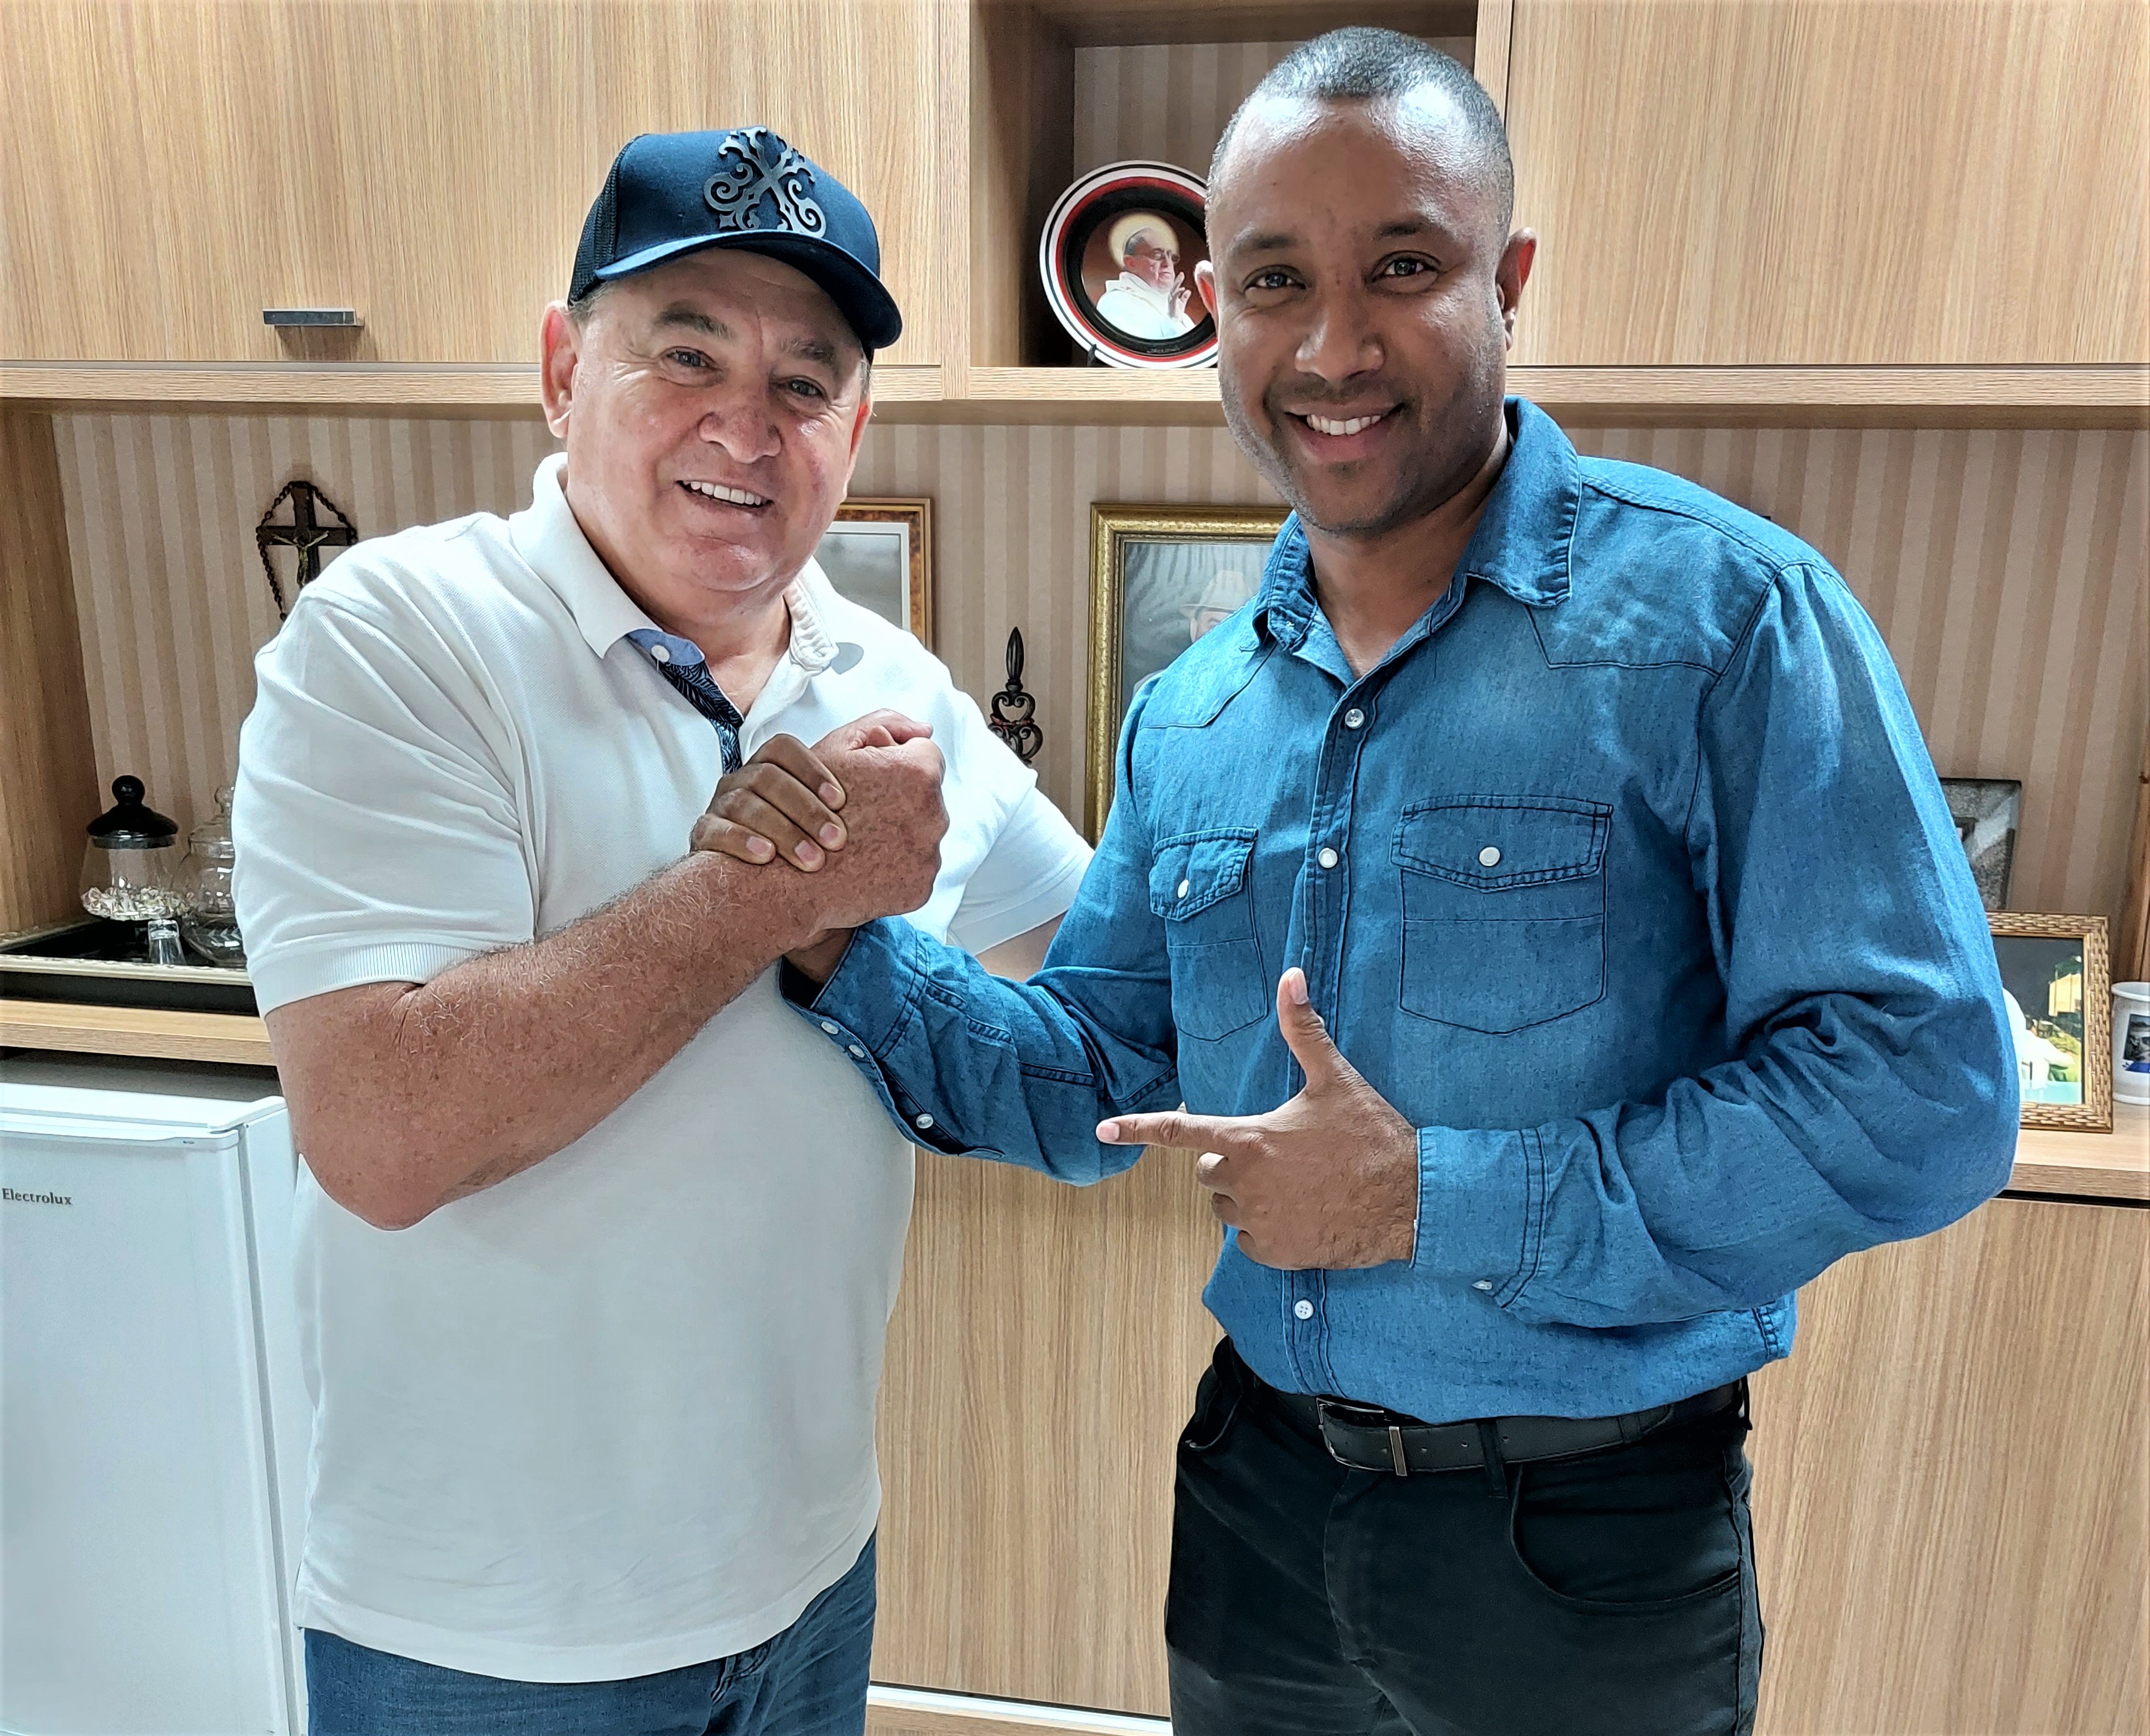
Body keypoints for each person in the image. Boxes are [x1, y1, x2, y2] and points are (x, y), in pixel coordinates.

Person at [704, 30, 2019, 1736]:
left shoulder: (1725, 622)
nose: (1332, 347)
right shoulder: (1194, 709)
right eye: (1275, 281)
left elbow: (1924, 1093)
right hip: (1258, 1507)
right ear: (1208, 308)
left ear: (1506, 279)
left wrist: (1428, 1195)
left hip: (1584, 1543)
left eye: (1402, 266)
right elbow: (1099, 1076)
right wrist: (836, 947)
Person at [231, 126, 1091, 1734]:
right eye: (684, 355)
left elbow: (1097, 973)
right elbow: (386, 1132)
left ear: (855, 425)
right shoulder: (402, 636)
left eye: (803, 381)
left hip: (808, 1579)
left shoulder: (888, 684)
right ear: (564, 371)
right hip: (489, 1637)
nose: (744, 426)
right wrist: (773, 889)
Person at [1094, 212, 1196, 339]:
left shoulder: (1180, 314)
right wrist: (1171, 324)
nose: (1168, 264)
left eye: (1171, 257)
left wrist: (1175, 321)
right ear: (1131, 263)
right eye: (1157, 255)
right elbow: (1130, 349)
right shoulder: (1116, 303)